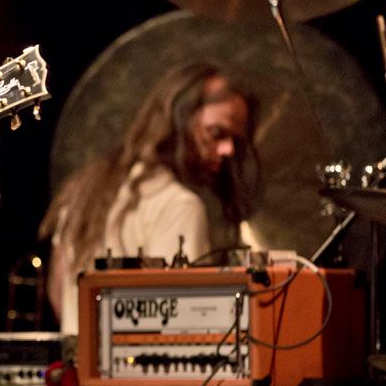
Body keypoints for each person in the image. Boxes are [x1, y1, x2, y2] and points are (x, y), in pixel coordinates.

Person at [41, 62, 259, 334]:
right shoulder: (179, 206)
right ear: (180, 118)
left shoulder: (87, 187)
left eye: (236, 142)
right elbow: (186, 327)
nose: (228, 150)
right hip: (137, 376)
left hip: (76, 370)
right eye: (217, 133)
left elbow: (59, 292)